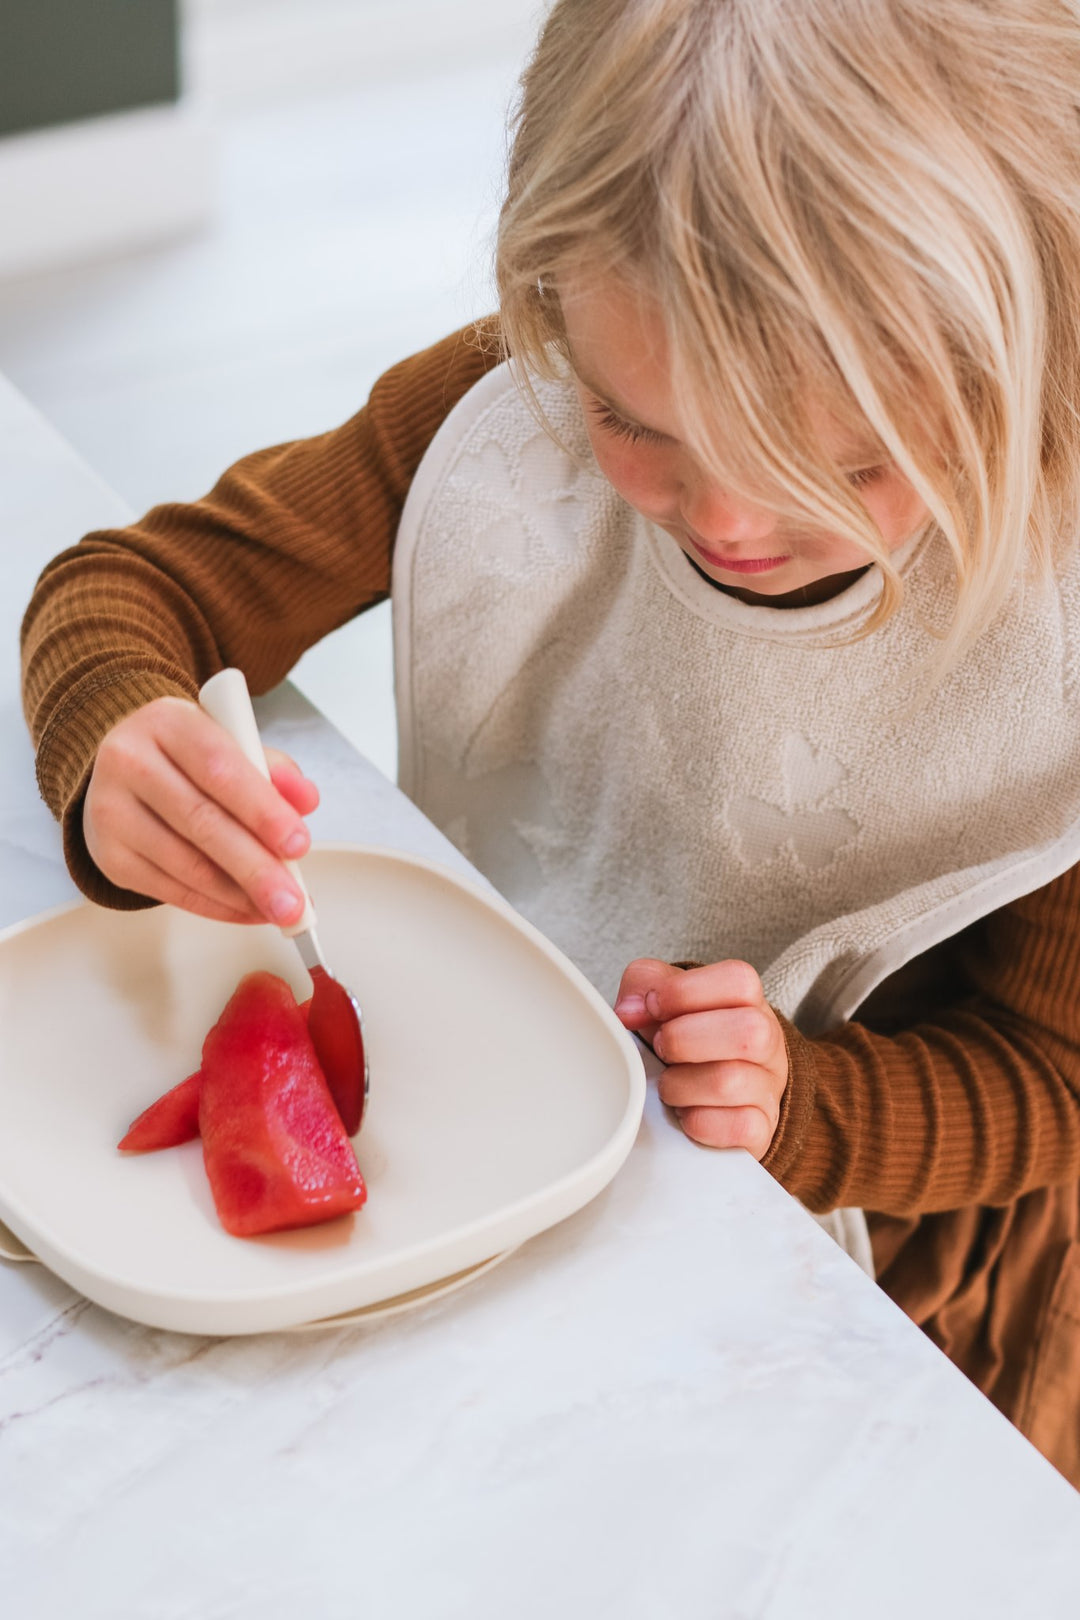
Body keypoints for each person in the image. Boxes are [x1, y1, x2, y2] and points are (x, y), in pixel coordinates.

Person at [20, 0, 1080, 1486]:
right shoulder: (496, 410)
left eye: (843, 467)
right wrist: (119, 737)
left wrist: (805, 1104)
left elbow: (1049, 1090)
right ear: (544, 297)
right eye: (631, 420)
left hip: (895, 1289)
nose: (724, 521)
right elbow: (130, 587)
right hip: (497, 1129)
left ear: (1023, 380)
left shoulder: (1057, 651)